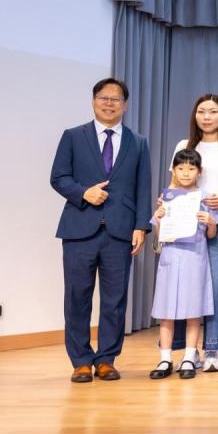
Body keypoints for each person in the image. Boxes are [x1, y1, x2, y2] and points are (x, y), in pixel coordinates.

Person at [50, 77, 151, 383]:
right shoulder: (73, 136)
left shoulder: (138, 142)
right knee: (76, 297)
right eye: (103, 98)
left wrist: (141, 226)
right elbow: (58, 177)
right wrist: (84, 193)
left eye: (115, 99)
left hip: (120, 232)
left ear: (125, 105)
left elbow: (143, 187)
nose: (109, 103)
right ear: (93, 101)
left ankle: (106, 358)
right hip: (79, 229)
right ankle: (80, 361)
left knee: (114, 300)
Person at [167, 94, 218, 372]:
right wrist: (165, 205)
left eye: (213, 111)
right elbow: (174, 183)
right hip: (187, 225)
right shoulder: (184, 145)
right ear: (195, 115)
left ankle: (212, 349)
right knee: (187, 287)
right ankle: (188, 351)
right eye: (201, 111)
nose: (207, 117)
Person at [149, 149, 217, 380]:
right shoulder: (167, 196)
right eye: (180, 168)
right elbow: (159, 233)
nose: (186, 173)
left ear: (199, 171)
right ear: (174, 171)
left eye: (191, 168)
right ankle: (165, 358)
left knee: (193, 310)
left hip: (194, 259)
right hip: (170, 257)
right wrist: (159, 217)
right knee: (166, 310)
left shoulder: (205, 197)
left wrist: (210, 222)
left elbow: (211, 234)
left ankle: (189, 356)